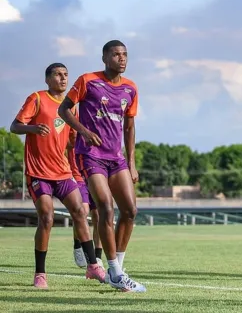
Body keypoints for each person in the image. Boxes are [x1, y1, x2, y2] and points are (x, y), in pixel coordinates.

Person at [58, 40, 146, 292]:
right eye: (116, 54)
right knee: (106, 209)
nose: (121, 58)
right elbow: (65, 110)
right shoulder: (88, 81)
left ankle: (117, 268)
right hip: (90, 155)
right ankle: (115, 271)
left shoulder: (131, 88)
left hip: (116, 158)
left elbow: (129, 127)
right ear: (105, 58)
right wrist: (83, 131)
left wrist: (131, 162)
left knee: (130, 211)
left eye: (125, 54)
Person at [10, 63, 106, 289]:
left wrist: (90, 140)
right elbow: (15, 126)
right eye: (57, 75)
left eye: (65, 75)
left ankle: (92, 266)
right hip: (38, 172)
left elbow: (72, 140)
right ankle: (40, 274)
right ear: (47, 79)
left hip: (62, 172)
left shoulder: (70, 107)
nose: (63, 79)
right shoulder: (37, 98)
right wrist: (33, 129)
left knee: (80, 212)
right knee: (47, 218)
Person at [68, 136, 103, 269]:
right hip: (77, 174)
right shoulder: (72, 119)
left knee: (99, 215)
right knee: (82, 211)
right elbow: (65, 141)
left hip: (96, 172)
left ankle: (98, 257)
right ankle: (78, 244)